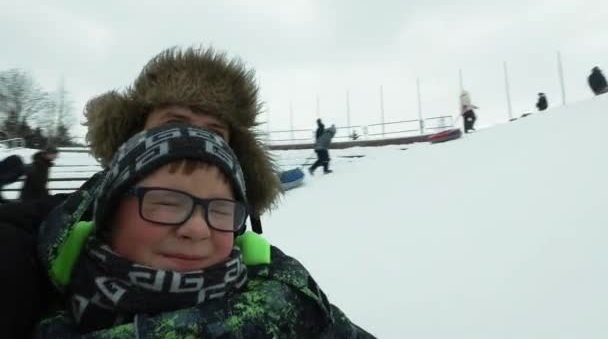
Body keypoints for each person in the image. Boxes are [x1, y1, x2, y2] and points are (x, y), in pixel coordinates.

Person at [0, 47, 374, 337]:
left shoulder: (280, 285)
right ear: (132, 135)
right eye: (174, 122)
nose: (192, 140)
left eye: (214, 132)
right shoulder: (38, 240)